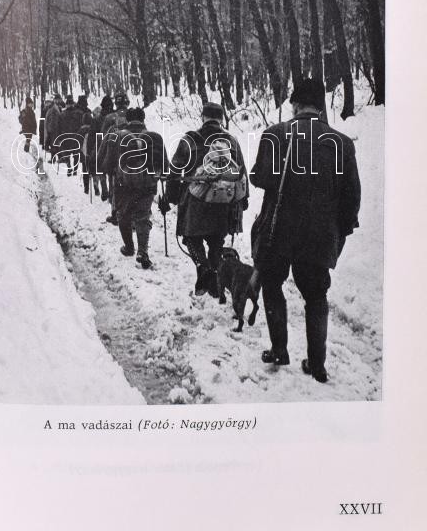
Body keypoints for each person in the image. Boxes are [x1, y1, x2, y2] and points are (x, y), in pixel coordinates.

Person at [250, 78, 361, 383]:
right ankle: (317, 364)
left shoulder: (275, 135)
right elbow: (352, 198)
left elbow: (259, 178)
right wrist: (339, 231)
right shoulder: (342, 143)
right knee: (316, 295)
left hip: (279, 231)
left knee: (272, 284)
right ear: (320, 107)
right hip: (319, 235)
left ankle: (279, 349)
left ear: (295, 105)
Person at [166, 101, 249, 296]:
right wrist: (243, 200)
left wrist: (172, 196)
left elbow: (175, 170)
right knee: (216, 241)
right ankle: (215, 278)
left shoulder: (190, 139)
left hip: (195, 200)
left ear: (203, 117)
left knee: (191, 238)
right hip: (224, 202)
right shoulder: (231, 141)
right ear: (220, 119)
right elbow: (241, 173)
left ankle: (203, 268)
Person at [97, 107, 168, 269]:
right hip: (147, 184)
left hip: (123, 184)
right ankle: (143, 251)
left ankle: (129, 247)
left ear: (127, 120)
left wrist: (111, 172)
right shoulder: (155, 137)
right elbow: (165, 165)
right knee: (143, 217)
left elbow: (106, 163)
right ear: (143, 120)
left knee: (123, 215)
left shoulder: (116, 136)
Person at [99, 90, 130, 224]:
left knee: (114, 183)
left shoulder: (109, 118)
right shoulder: (132, 115)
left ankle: (115, 212)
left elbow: (103, 137)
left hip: (115, 153)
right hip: (131, 153)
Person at [86, 95, 114, 201]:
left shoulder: (97, 119)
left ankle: (104, 188)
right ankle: (111, 191)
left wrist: (89, 151)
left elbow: (91, 136)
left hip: (100, 146)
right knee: (112, 170)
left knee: (101, 169)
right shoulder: (114, 118)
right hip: (113, 146)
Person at [57, 95, 83, 176]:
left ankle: (69, 167)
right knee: (76, 154)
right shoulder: (79, 113)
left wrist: (59, 138)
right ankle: (74, 170)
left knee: (66, 154)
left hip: (66, 137)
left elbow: (58, 127)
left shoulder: (62, 114)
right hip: (76, 137)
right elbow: (81, 125)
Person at [76, 94, 98, 195]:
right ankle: (96, 185)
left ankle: (86, 188)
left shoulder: (81, 130)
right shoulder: (93, 128)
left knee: (85, 170)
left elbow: (78, 141)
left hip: (83, 153)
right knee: (94, 169)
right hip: (92, 152)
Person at [44, 94, 62, 161]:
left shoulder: (53, 109)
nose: (46, 104)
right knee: (54, 145)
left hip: (53, 131)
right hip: (53, 130)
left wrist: (49, 131)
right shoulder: (51, 108)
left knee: (53, 145)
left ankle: (55, 159)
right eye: (46, 102)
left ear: (50, 102)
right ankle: (58, 158)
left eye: (47, 102)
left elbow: (53, 122)